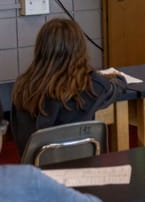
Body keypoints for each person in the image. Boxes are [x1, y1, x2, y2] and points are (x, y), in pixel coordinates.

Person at [11, 18, 127, 155]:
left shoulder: (22, 87)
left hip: (35, 170)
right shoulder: (90, 86)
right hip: (82, 168)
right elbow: (117, 85)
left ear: (40, 49)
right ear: (79, 49)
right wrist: (111, 77)